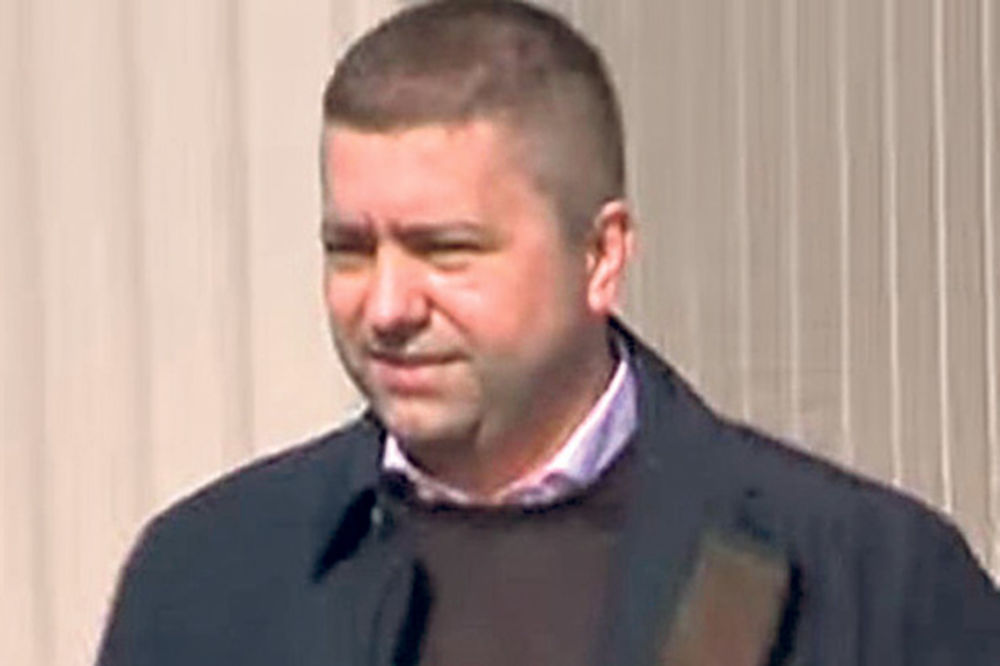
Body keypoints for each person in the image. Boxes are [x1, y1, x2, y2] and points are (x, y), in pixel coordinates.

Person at [97, 1, 1000, 665]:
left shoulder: (871, 583)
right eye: (351, 250)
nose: (387, 307)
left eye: (445, 249)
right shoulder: (209, 581)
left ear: (600, 256)